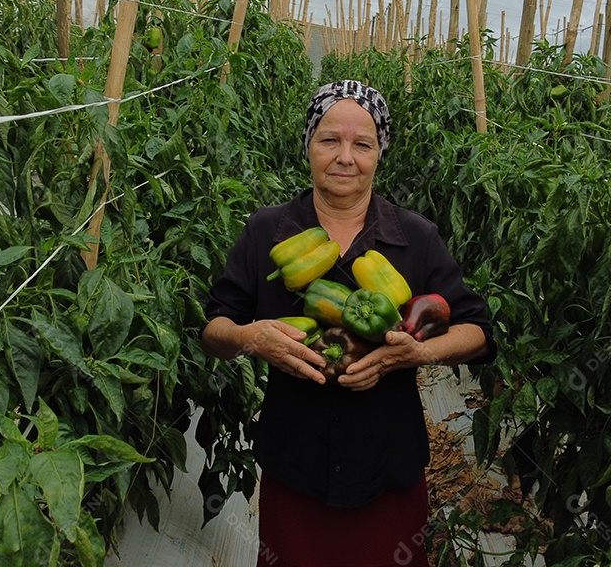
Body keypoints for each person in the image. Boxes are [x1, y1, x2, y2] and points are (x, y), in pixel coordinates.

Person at [201, 80, 496, 567]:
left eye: (362, 144)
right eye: (328, 140)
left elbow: (478, 330)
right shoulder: (266, 231)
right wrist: (249, 337)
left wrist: (420, 352)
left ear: (380, 153)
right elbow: (215, 329)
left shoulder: (416, 238)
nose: (345, 157)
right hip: (295, 463)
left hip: (386, 468)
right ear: (308, 146)